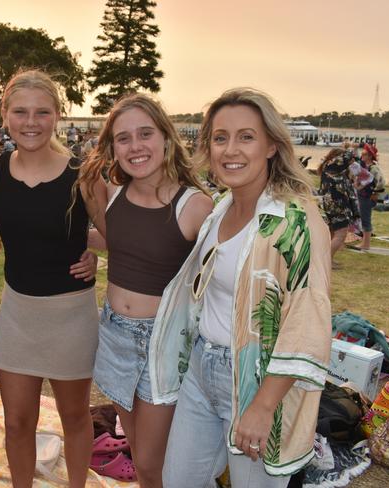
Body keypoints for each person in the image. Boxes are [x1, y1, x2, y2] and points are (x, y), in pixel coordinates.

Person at [149, 88, 332, 487]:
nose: (231, 149)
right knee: (178, 480)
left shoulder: (295, 221)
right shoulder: (219, 209)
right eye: (220, 138)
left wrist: (265, 405)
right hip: (202, 368)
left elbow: (308, 324)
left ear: (270, 146)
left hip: (259, 381)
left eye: (246, 136)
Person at [77, 93, 213, 487]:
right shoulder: (113, 195)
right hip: (114, 335)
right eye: (123, 138)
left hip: (161, 346)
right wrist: (75, 247)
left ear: (166, 138)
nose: (135, 146)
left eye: (145, 134)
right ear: (112, 147)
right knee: (136, 449)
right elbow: (117, 240)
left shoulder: (195, 206)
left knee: (153, 462)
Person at [0, 69, 106, 488]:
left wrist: (94, 255)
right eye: (20, 111)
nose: (31, 121)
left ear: (58, 115)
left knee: (75, 417)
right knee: (18, 422)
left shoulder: (84, 174)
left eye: (42, 112)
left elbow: (116, 237)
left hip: (72, 316)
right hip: (19, 314)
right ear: (5, 114)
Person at [318, 148, 360, 267]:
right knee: (341, 234)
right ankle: (327, 261)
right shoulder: (334, 165)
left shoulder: (331, 167)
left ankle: (328, 258)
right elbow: (348, 155)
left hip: (331, 203)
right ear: (338, 157)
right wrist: (353, 147)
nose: (350, 161)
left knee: (333, 233)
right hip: (337, 204)